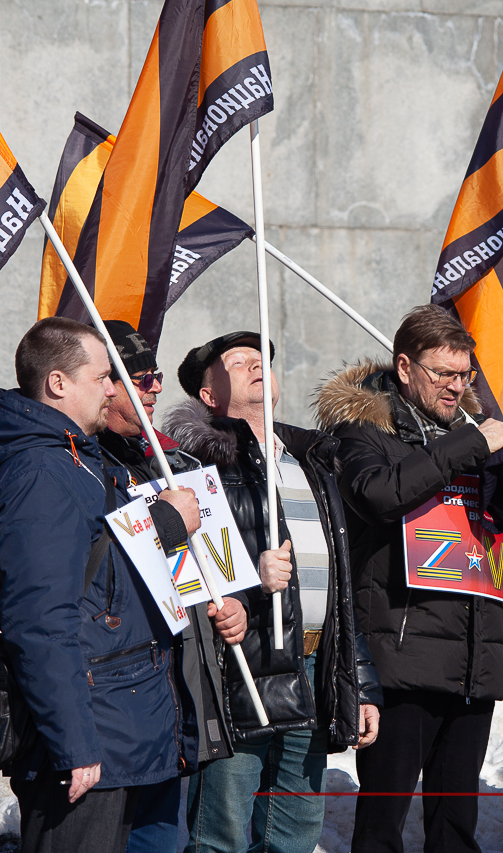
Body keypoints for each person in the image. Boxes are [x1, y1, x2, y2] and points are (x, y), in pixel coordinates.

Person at [313, 304, 503, 853]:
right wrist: (468, 446)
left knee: (455, 829)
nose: (456, 386)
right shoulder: (364, 433)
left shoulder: (474, 437)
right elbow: (380, 495)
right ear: (404, 367)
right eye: (443, 373)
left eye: (465, 374)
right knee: (382, 828)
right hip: (402, 659)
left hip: (472, 656)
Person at [0, 317, 203, 853]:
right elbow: (40, 622)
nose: (112, 389)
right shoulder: (40, 471)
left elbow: (106, 575)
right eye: (102, 377)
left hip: (127, 725)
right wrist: (74, 744)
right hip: (92, 738)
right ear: (58, 383)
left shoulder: (80, 458)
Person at [164, 330, 383, 853]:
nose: (255, 364)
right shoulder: (192, 467)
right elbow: (176, 568)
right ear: (208, 395)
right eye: (237, 362)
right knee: (219, 834)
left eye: (260, 358)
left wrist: (360, 683)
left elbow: (340, 590)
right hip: (239, 668)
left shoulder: (313, 461)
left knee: (294, 833)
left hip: (314, 667)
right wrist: (249, 581)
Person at [97, 320, 239, 853]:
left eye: (156, 374)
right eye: (141, 377)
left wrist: (234, 605)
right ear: (104, 385)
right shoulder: (80, 463)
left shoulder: (177, 462)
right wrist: (163, 523)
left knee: (159, 838)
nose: (156, 386)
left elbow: (215, 569)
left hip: (170, 694)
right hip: (111, 697)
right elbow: (96, 571)